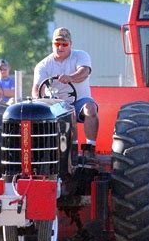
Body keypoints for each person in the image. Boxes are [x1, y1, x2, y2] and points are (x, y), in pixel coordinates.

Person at [32, 27, 99, 156]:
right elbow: (37, 88)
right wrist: (38, 102)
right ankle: (64, 150)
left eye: (64, 44)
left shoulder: (80, 56)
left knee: (90, 108)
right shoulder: (43, 65)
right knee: (63, 112)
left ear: (70, 45)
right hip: (56, 104)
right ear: (52, 44)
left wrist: (70, 78)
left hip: (80, 100)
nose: (60, 47)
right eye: (57, 43)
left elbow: (84, 73)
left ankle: (90, 149)